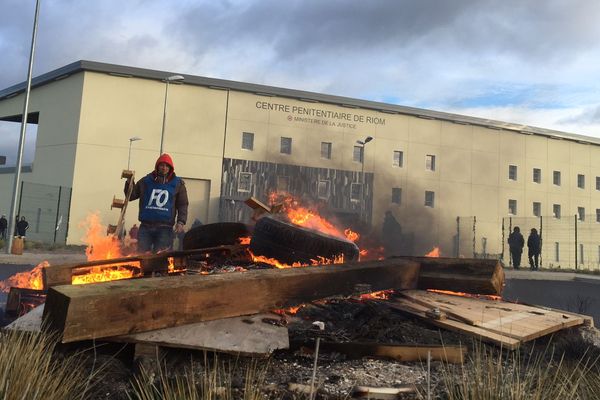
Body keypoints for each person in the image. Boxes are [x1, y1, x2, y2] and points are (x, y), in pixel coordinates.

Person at [127, 153, 188, 253]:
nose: (164, 168)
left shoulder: (178, 184)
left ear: (170, 168)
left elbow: (182, 204)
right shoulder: (146, 181)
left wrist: (181, 222)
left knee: (160, 257)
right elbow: (131, 195)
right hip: (145, 226)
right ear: (157, 166)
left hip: (165, 228)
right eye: (162, 165)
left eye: (167, 166)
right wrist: (129, 182)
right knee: (141, 255)